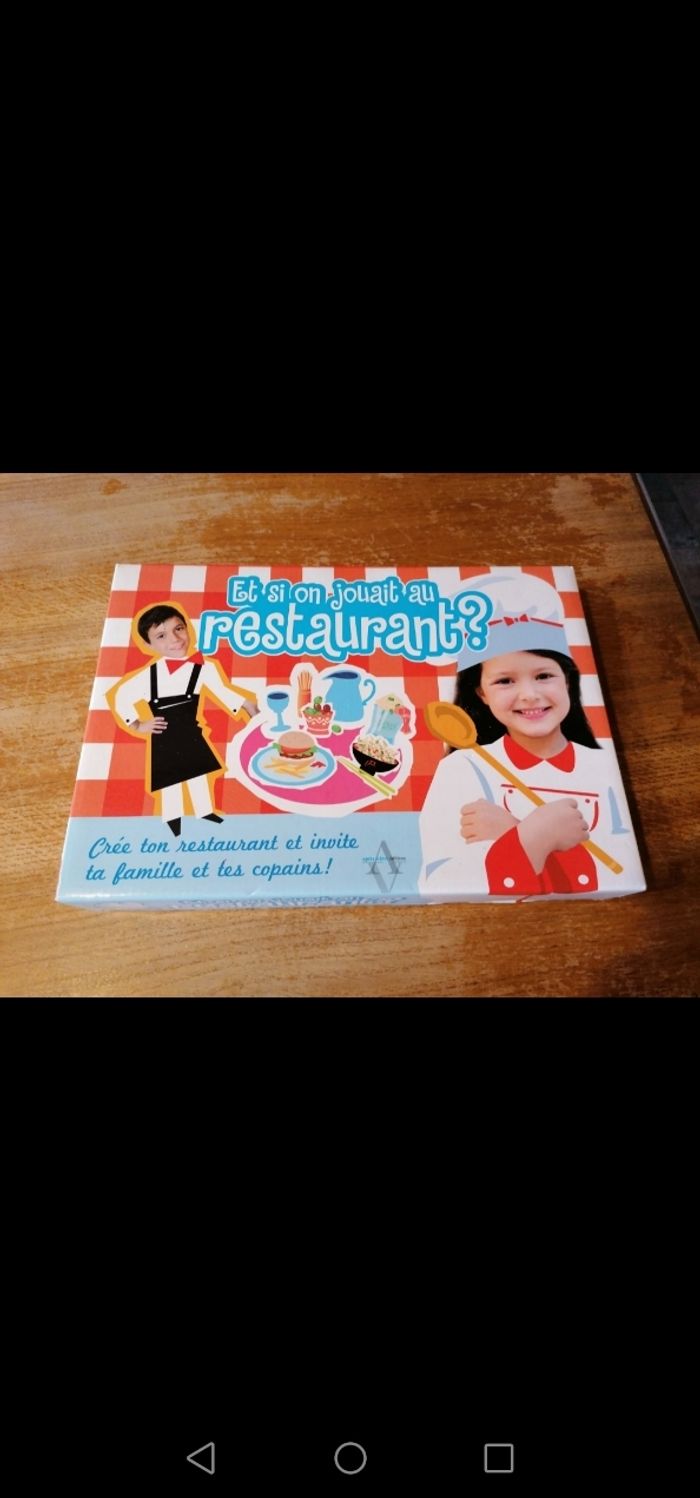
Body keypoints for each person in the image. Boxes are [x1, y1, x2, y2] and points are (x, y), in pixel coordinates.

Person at [418, 573, 645, 899]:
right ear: (482, 694)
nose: (529, 695)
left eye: (543, 675)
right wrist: (536, 836)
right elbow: (439, 881)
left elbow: (623, 876)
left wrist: (519, 833)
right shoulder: (463, 769)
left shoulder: (602, 766)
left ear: (567, 680)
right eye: (505, 681)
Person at [106, 603, 259, 835]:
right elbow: (121, 696)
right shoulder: (149, 675)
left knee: (198, 773)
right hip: (164, 736)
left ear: (187, 628)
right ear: (148, 645)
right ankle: (172, 819)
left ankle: (204, 811)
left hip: (190, 732)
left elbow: (223, 692)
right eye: (161, 635)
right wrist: (137, 724)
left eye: (178, 629)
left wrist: (248, 705)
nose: (175, 639)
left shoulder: (204, 666)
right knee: (171, 781)